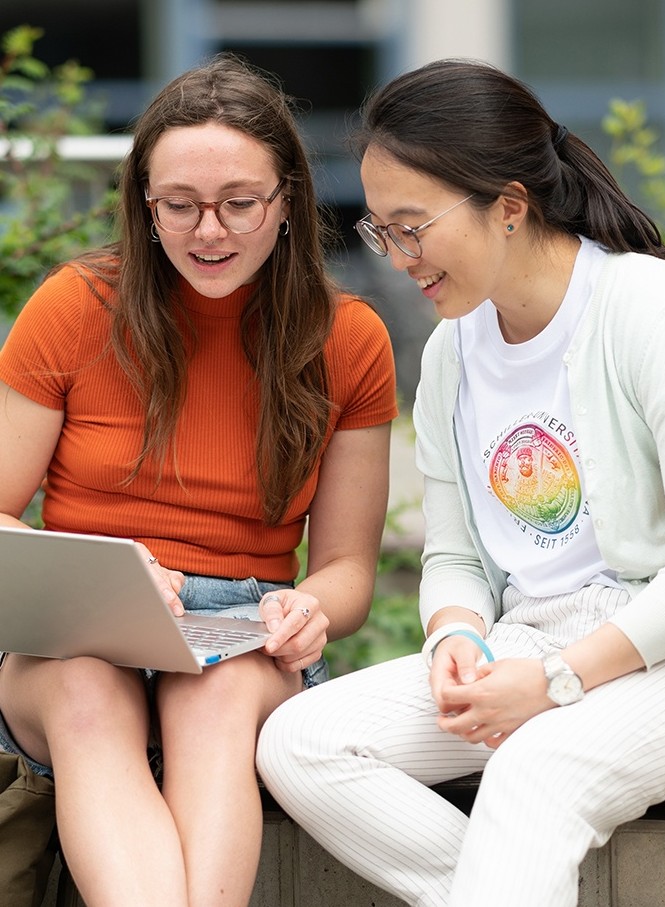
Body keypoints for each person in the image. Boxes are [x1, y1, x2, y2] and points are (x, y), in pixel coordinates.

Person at [256, 58, 665, 907]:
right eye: (379, 232)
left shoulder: (648, 306)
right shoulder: (452, 354)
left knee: (533, 768)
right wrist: (457, 640)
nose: (398, 258)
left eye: (412, 227)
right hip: (534, 647)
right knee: (301, 741)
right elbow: (457, 557)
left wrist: (557, 682)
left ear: (508, 206)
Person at [0, 53, 397, 907]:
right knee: (82, 689)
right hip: (78, 629)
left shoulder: (349, 338)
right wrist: (98, 574)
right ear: (145, 206)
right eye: (178, 206)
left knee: (212, 697)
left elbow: (350, 572)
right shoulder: (74, 307)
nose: (208, 231)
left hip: (243, 633)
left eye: (238, 204)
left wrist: (310, 607)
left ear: (288, 197)